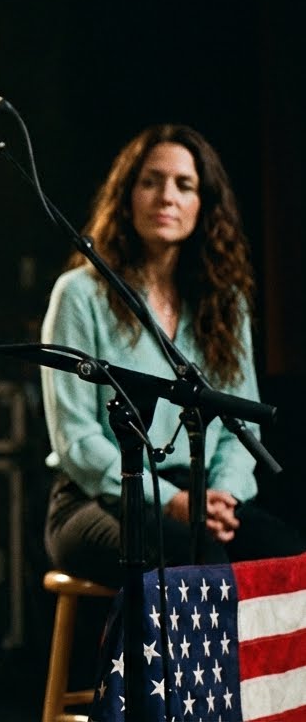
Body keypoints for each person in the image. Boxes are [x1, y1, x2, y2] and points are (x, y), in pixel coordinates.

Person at [40, 123, 305, 591]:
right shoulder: (79, 293)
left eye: (184, 185)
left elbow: (240, 432)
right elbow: (76, 439)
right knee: (191, 556)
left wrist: (220, 495)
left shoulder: (225, 302)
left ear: (204, 205)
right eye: (150, 181)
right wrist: (169, 500)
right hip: (96, 497)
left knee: (286, 556)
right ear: (126, 196)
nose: (167, 196)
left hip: (200, 495)